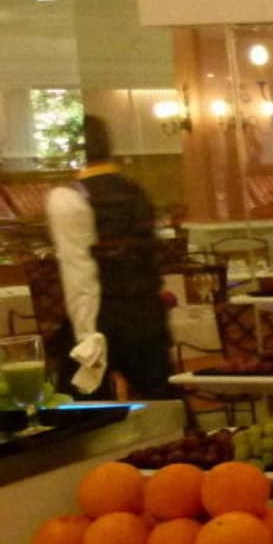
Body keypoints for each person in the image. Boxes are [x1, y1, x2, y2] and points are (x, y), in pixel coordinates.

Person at [46, 115, 174, 398]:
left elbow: (78, 271)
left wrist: (85, 337)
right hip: (147, 314)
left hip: (102, 316)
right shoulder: (136, 191)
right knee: (164, 406)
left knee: (81, 410)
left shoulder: (66, 198)